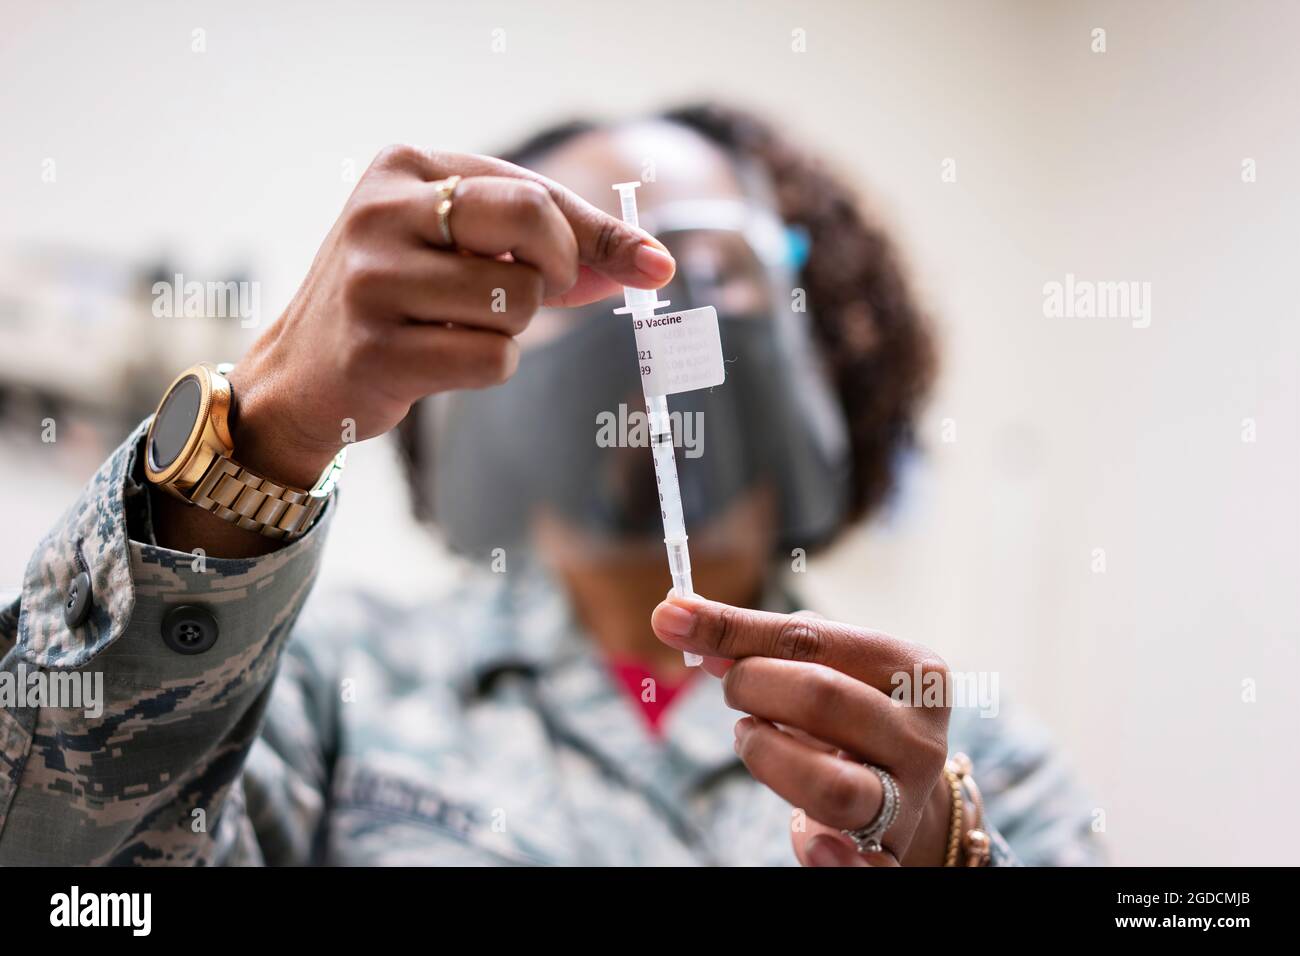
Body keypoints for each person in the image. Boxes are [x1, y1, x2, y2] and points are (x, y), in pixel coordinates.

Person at [0, 104, 1101, 866]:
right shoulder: (328, 692)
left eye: (704, 269)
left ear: (824, 343)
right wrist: (264, 428)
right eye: (561, 279)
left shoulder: (961, 752)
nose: (642, 317)